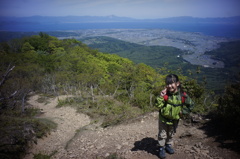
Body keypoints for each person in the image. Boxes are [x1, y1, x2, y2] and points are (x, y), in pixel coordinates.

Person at [155, 74, 194, 159]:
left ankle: (168, 145)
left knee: (171, 133)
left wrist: (182, 112)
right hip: (163, 119)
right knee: (162, 134)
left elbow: (191, 105)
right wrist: (161, 96)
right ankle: (161, 148)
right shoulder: (165, 95)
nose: (169, 86)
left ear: (178, 83)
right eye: (167, 84)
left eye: (171, 83)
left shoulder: (182, 95)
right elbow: (158, 105)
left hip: (174, 120)